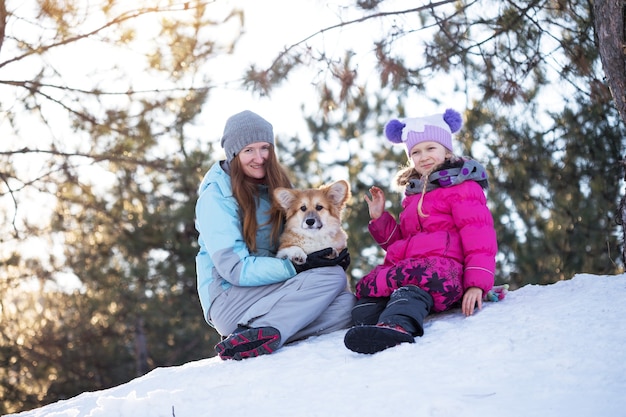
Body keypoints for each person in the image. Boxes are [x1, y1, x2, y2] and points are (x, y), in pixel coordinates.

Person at [195, 110, 355, 360]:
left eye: (264, 148)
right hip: (229, 298)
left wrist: (328, 255)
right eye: (249, 150)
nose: (259, 157)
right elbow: (235, 269)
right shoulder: (216, 197)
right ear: (234, 154)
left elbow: (296, 237)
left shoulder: (274, 185)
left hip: (269, 293)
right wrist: (299, 269)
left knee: (346, 306)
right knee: (332, 278)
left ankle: (259, 335)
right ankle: (261, 330)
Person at [343, 108, 498, 354]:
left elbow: (479, 237)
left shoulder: (463, 188)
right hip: (416, 267)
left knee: (410, 292)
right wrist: (380, 218)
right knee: (365, 304)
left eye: (430, 148)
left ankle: (397, 327)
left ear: (446, 150)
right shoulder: (413, 196)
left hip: (444, 271)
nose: (423, 156)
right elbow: (403, 243)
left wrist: (477, 284)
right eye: (416, 151)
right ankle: (373, 324)